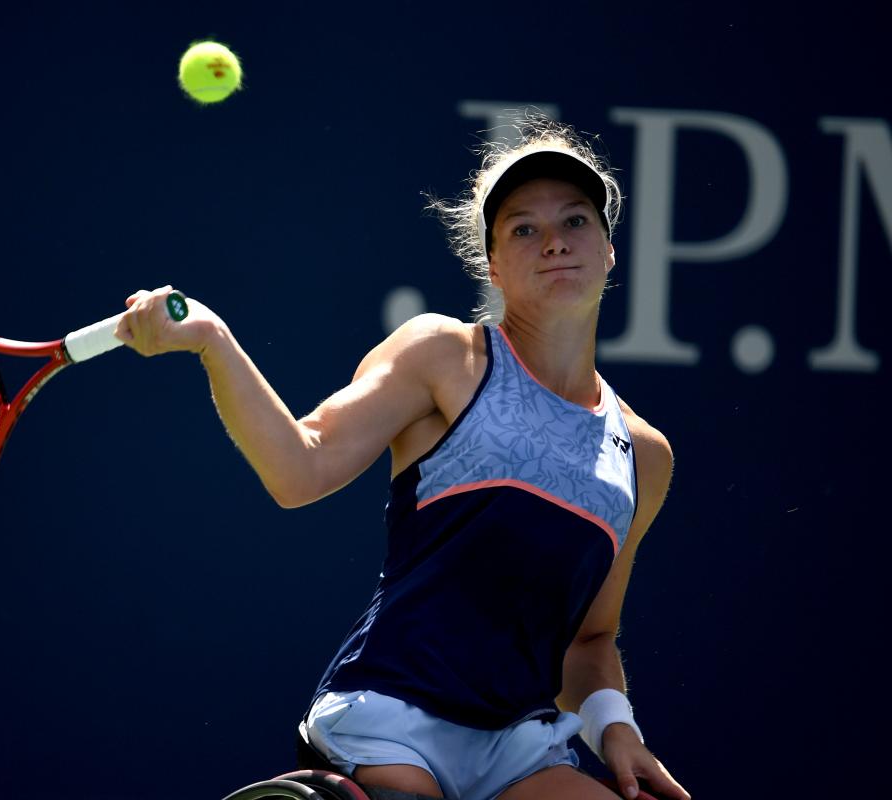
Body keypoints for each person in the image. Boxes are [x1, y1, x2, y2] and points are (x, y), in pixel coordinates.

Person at [114, 118, 690, 800]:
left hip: (518, 745)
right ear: (495, 267)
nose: (556, 240)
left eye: (575, 220)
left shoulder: (643, 455)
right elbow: (300, 468)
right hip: (390, 714)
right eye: (523, 229)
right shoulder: (444, 357)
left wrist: (614, 727)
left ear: (609, 251)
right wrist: (213, 341)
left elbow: (589, 640)